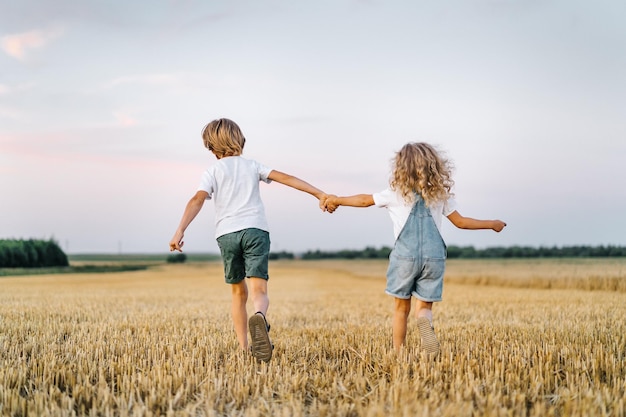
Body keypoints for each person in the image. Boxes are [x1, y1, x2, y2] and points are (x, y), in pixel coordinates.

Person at [322, 142, 506, 357]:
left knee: (401, 310)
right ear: (434, 167)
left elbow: (364, 201)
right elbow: (462, 222)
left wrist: (337, 200)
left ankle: (399, 353)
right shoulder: (439, 196)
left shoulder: (395, 193)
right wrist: (492, 223)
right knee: (424, 307)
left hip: (405, 258)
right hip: (434, 258)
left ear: (401, 168)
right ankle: (424, 320)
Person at [169, 118, 328, 363]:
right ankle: (260, 317)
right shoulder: (252, 165)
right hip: (255, 230)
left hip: (227, 234)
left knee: (237, 293)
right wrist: (318, 193)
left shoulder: (212, 171)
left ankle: (244, 348)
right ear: (240, 139)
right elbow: (287, 178)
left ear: (210, 147)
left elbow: (197, 199)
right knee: (259, 290)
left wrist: (180, 230)